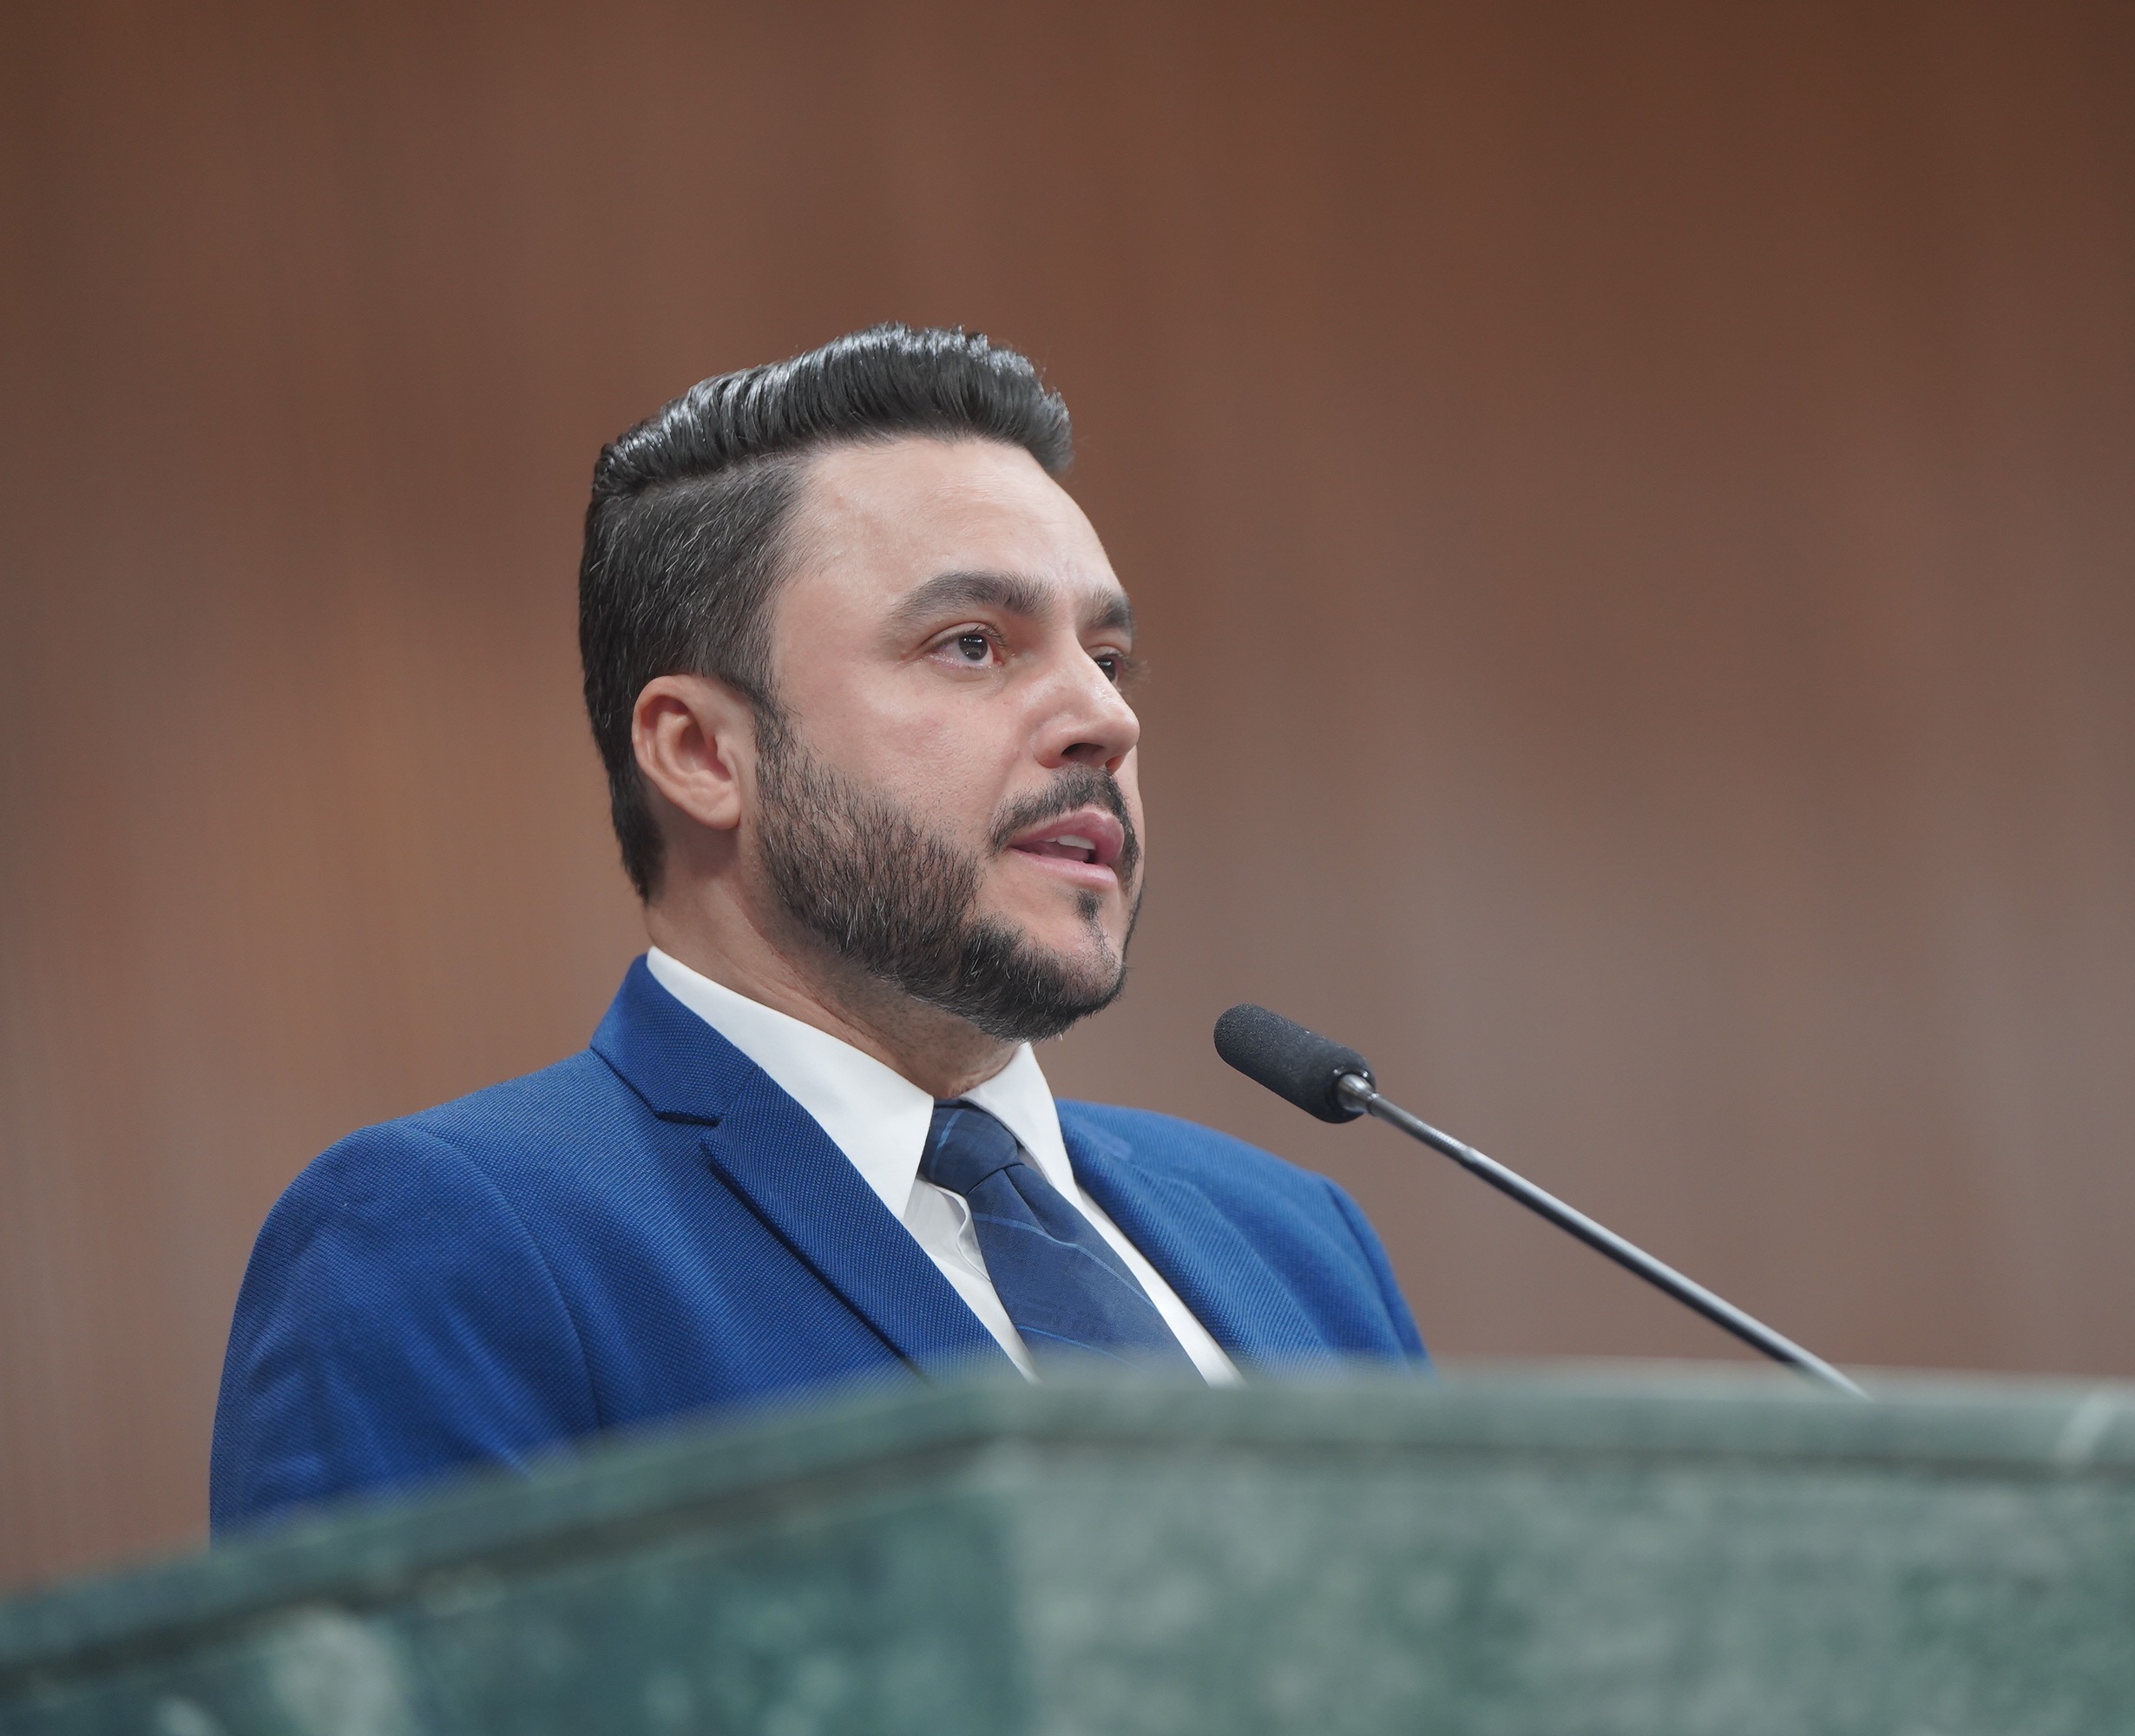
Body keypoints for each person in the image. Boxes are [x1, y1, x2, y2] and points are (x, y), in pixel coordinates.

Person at [210, 326, 1425, 1528]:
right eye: (973, 645)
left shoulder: (1294, 1239)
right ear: (701, 752)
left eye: (1108, 658)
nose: (1106, 721)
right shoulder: (452, 1241)